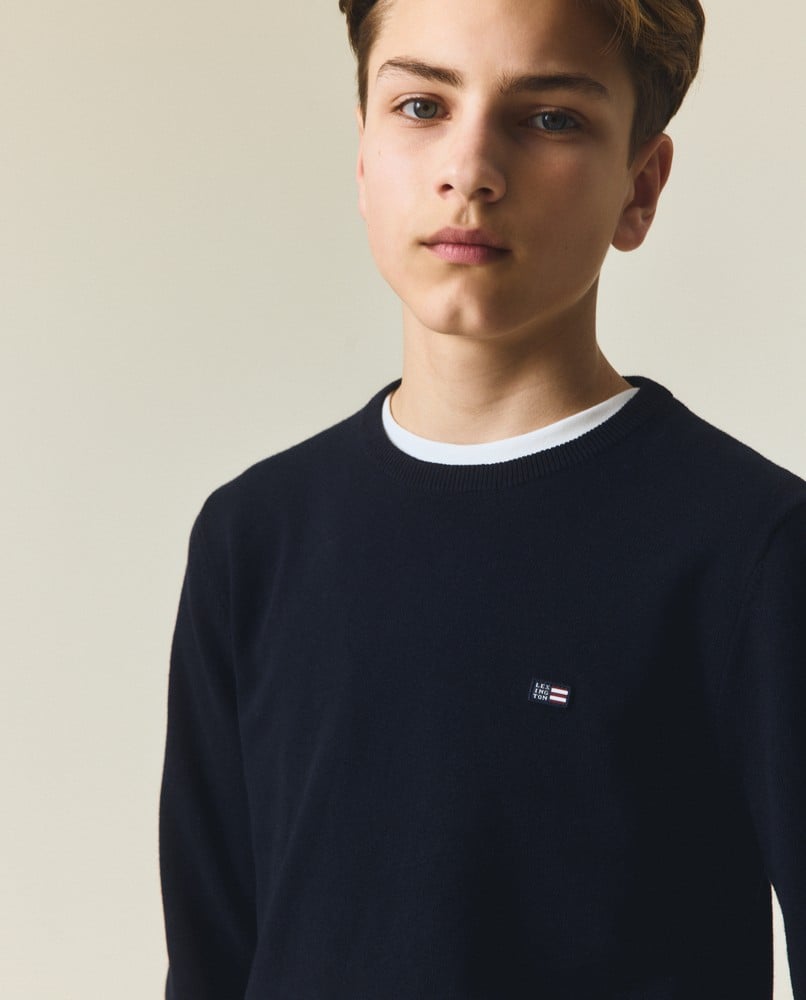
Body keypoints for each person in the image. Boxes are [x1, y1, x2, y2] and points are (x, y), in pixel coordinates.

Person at [158, 0, 806, 996]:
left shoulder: (754, 551)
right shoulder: (254, 538)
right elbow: (211, 964)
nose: (469, 171)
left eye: (548, 118)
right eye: (421, 106)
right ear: (363, 155)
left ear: (639, 188)